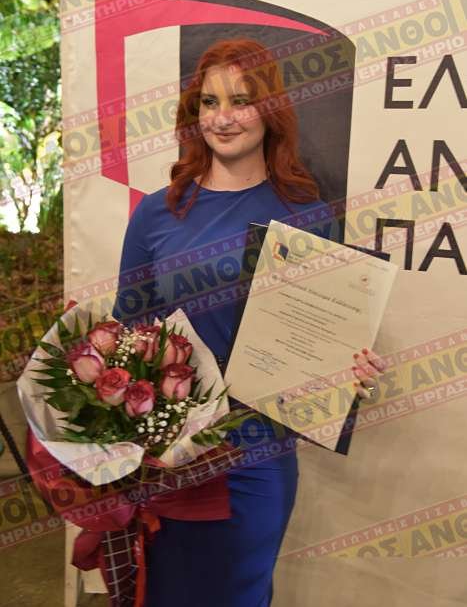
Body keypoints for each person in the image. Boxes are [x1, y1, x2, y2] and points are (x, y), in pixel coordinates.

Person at [112, 38, 384, 607]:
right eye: (209, 103)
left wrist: (349, 372)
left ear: (270, 109)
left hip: (257, 451)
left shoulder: (305, 214)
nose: (223, 117)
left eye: (240, 100)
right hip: (169, 454)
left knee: (240, 592)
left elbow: (324, 334)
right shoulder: (156, 212)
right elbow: (128, 331)